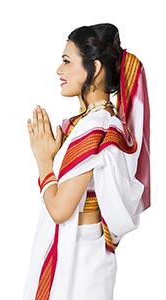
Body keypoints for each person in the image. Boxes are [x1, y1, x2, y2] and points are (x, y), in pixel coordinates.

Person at [23, 23, 150, 300]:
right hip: (83, 250)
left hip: (81, 259)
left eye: (67, 61)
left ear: (95, 67)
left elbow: (59, 209)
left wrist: (44, 162)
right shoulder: (91, 122)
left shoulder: (95, 126)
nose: (59, 70)